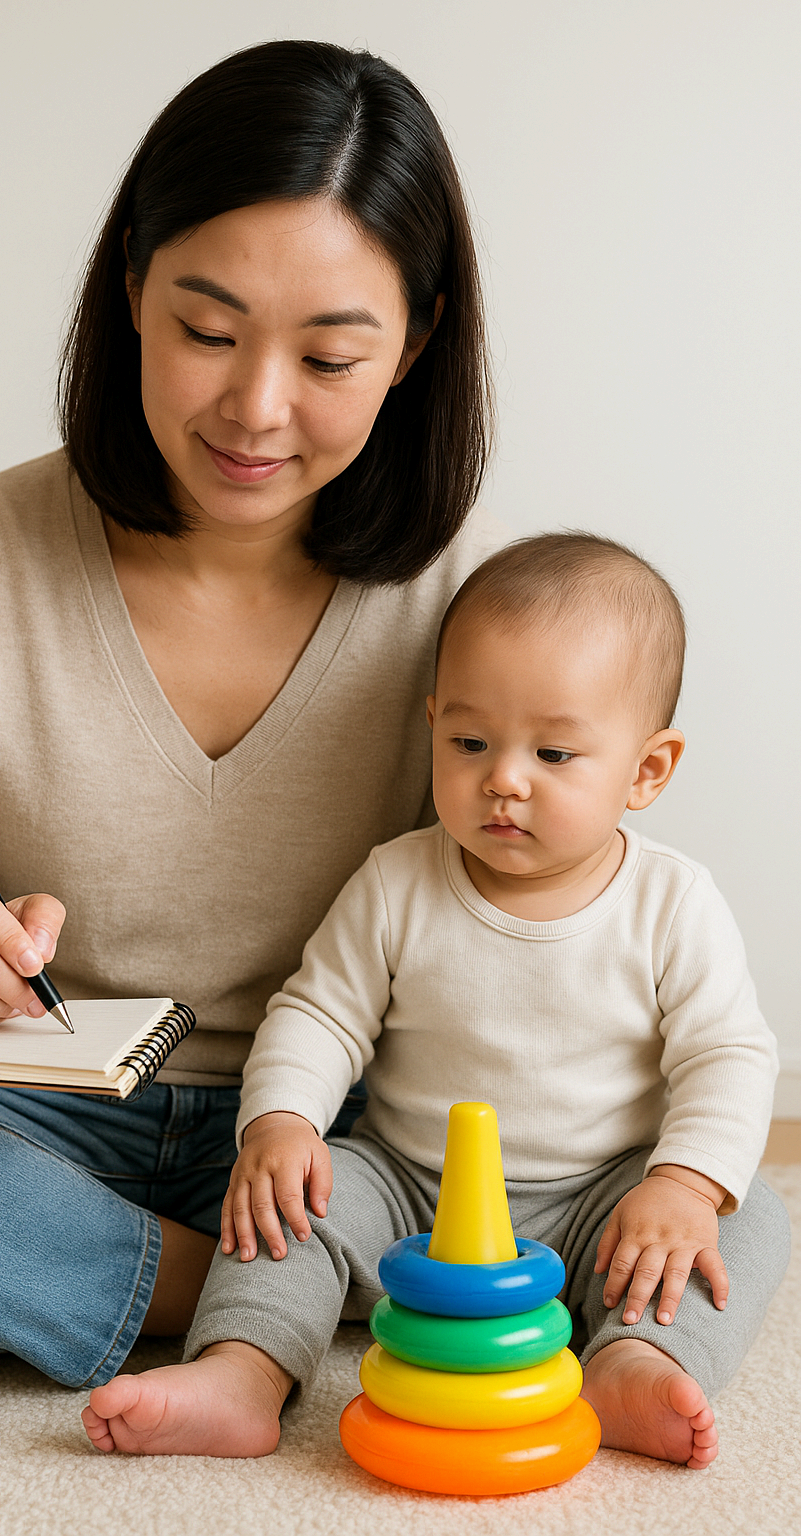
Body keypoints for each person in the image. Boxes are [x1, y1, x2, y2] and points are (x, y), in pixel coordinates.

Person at [0, 40, 502, 1409]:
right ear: (127, 292)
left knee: (613, 1167)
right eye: (207, 330)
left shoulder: (466, 606)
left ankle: (37, 1294)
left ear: (415, 344)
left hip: (336, 1123)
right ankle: (234, 1293)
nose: (255, 407)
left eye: (331, 354)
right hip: (45, 1115)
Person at [81, 533, 789, 1468]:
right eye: (469, 742)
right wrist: (281, 1125)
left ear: (647, 770)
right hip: (410, 1189)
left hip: (600, 1200)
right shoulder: (395, 882)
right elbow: (317, 1014)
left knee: (750, 1220)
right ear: (431, 728)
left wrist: (684, 1184)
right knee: (292, 1203)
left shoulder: (671, 902)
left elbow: (728, 1055)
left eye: (555, 751)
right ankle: (243, 1371)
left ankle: (632, 1360)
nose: (503, 776)